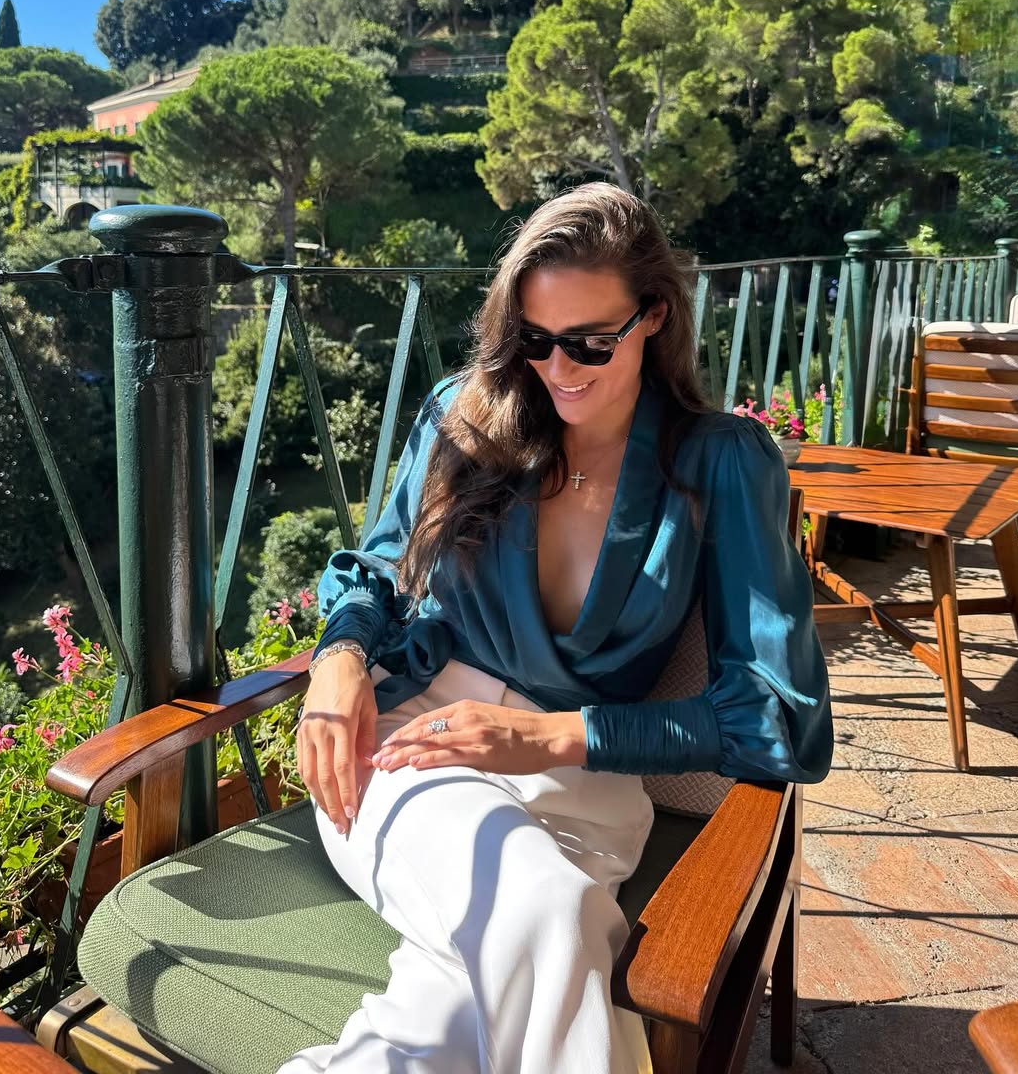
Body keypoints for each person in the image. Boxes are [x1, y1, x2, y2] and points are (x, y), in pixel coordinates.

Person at [275, 183, 833, 1074]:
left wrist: (551, 736)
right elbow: (379, 569)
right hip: (410, 741)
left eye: (590, 341)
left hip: (583, 783)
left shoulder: (719, 462)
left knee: (457, 1012)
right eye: (535, 340)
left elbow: (781, 719)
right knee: (548, 913)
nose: (559, 367)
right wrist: (337, 662)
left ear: (654, 315)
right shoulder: (466, 416)